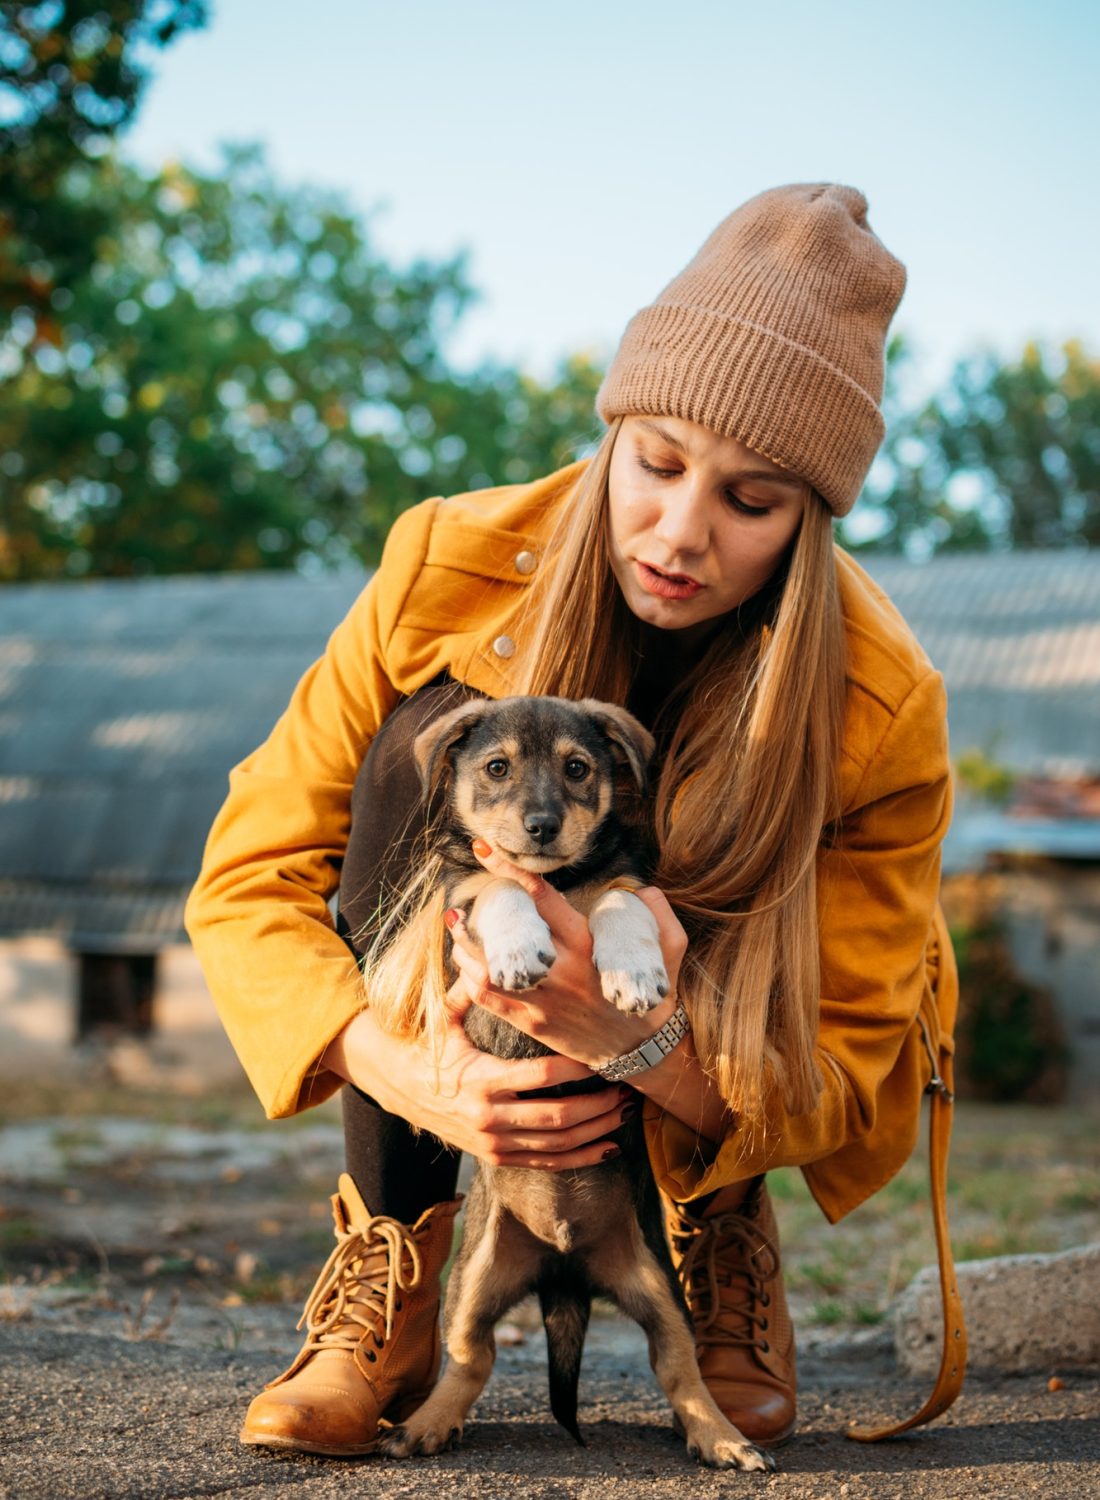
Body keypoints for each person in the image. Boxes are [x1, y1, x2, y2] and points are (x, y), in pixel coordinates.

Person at [185, 182, 955, 1458]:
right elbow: (249, 871)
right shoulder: (445, 558)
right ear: (612, 434)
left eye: (750, 502)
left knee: (747, 817)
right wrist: (417, 1075)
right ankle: (402, 1249)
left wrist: (639, 1046)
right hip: (447, 1043)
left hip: (695, 1047)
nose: (679, 532)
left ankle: (706, 1218)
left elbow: (847, 1054)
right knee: (415, 751)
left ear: (809, 516)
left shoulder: (879, 699)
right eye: (653, 465)